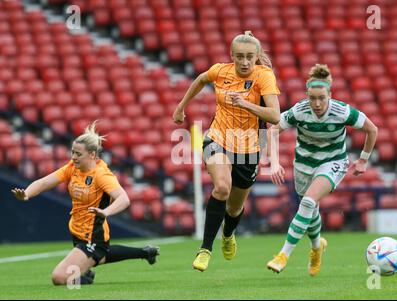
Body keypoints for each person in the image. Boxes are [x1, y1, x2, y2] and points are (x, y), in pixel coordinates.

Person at [173, 31, 281, 272]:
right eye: (239, 56)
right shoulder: (221, 71)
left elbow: (275, 115)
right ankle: (205, 249)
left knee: (234, 208)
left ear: (256, 57)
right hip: (218, 138)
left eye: (249, 57)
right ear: (231, 55)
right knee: (222, 186)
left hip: (250, 146)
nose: (244, 62)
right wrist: (181, 107)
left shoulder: (264, 77)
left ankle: (228, 233)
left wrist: (245, 104)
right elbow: (201, 80)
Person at [11, 121, 159, 285]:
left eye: (78, 154)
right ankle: (146, 253)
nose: (73, 157)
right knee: (101, 256)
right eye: (72, 152)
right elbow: (44, 183)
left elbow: (124, 198)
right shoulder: (72, 168)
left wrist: (106, 212)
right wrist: (27, 194)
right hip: (77, 231)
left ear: (93, 155)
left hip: (94, 236)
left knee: (59, 277)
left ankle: (85, 277)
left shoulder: (101, 175)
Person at [266, 64, 378, 276]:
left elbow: (372, 129)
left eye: (321, 98)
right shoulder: (299, 110)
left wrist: (363, 160)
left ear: (330, 95)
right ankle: (317, 247)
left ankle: (283, 255)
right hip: (303, 164)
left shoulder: (342, 112)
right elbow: (273, 130)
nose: (317, 104)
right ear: (307, 96)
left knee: (308, 202)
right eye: (312, 98)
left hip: (333, 162)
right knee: (310, 208)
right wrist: (274, 162)